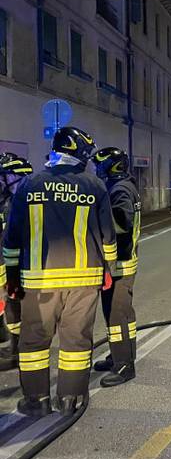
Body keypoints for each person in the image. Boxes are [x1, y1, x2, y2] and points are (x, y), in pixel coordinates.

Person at [3, 127, 117, 416]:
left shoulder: (29, 185)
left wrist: (12, 278)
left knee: (34, 342)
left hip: (39, 281)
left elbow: (12, 237)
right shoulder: (95, 186)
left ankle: (36, 400)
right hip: (84, 279)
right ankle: (71, 399)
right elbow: (109, 237)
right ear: (78, 153)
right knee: (76, 340)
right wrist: (109, 270)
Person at [91, 147, 141, 387]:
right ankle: (118, 355)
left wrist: (97, 218)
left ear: (111, 166)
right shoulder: (123, 186)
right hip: (119, 263)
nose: (97, 169)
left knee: (117, 316)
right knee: (117, 314)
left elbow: (123, 223)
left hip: (119, 265)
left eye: (100, 165)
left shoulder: (119, 190)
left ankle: (124, 366)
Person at [0, 153, 34, 372]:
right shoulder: (10, 200)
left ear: (14, 176)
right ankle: (14, 347)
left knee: (22, 310)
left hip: (25, 266)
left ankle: (22, 351)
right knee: (12, 309)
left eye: (3, 176)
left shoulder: (26, 200)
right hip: (11, 265)